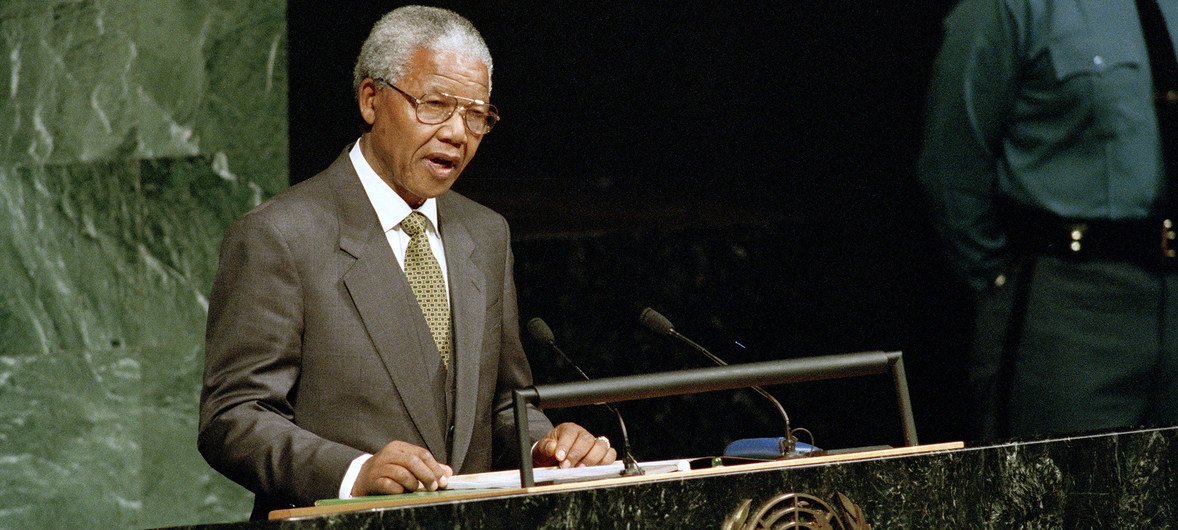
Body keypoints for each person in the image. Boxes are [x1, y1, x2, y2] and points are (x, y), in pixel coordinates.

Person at [198, 6, 615, 519]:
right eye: (436, 105)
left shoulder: (485, 234)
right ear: (371, 100)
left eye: (476, 115)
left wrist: (546, 449)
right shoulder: (280, 236)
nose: (458, 134)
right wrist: (353, 473)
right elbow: (233, 418)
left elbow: (504, 405)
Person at [920, 0, 1178, 440]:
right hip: (1070, 309)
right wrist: (998, 281)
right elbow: (951, 167)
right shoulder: (1008, 7)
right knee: (1060, 496)